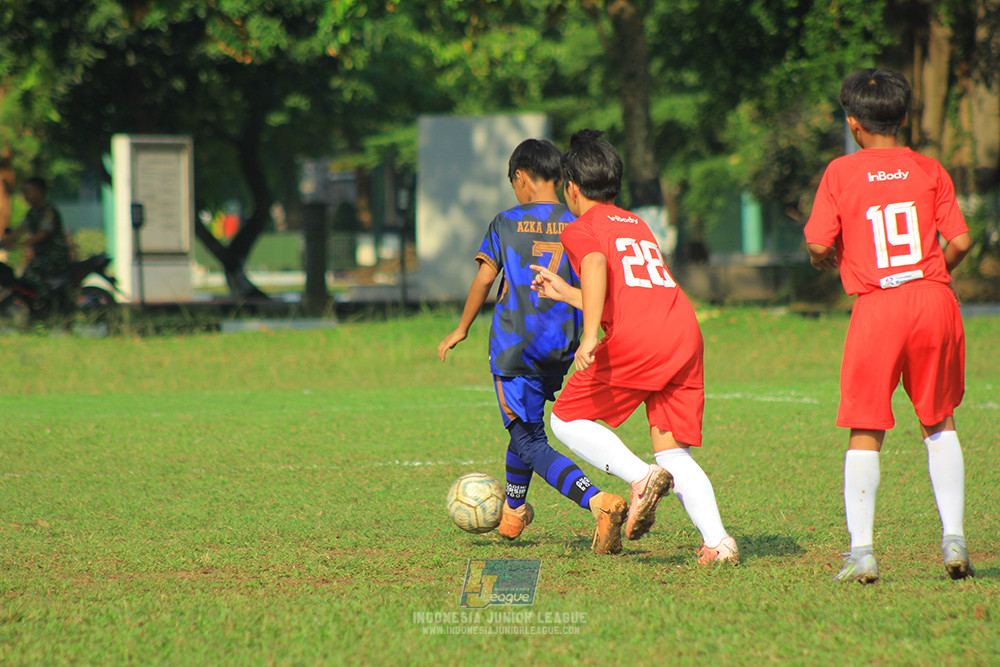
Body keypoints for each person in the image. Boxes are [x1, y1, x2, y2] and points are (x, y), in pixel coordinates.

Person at [531, 129, 739, 564]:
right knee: (671, 450)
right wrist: (566, 293)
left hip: (642, 336)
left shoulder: (580, 227)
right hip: (682, 330)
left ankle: (641, 478)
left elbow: (593, 263)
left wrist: (589, 335)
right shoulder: (635, 222)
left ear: (571, 187)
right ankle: (719, 543)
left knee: (565, 419)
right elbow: (625, 288)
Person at [804, 68, 974, 584]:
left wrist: (826, 257)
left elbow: (816, 243)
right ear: (902, 117)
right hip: (932, 299)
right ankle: (954, 540)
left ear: (853, 123)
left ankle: (862, 552)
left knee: (865, 426)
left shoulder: (840, 172)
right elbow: (962, 241)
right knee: (939, 420)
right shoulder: (928, 168)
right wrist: (934, 273)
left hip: (878, 307)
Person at [437, 138, 629, 555]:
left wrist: (461, 327)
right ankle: (514, 510)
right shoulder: (579, 223)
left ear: (521, 178)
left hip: (515, 347)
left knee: (527, 437)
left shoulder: (506, 221)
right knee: (527, 426)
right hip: (562, 347)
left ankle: (596, 501)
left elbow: (485, 279)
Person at [3, 177, 72, 298]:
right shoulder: (32, 213)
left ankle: (46, 302)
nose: (24, 195)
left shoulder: (48, 211)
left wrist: (20, 245)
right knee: (23, 278)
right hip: (41, 255)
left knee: (32, 273)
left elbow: (42, 234)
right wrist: (4, 242)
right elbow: (19, 231)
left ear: (39, 192)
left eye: (27, 191)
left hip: (55, 256)